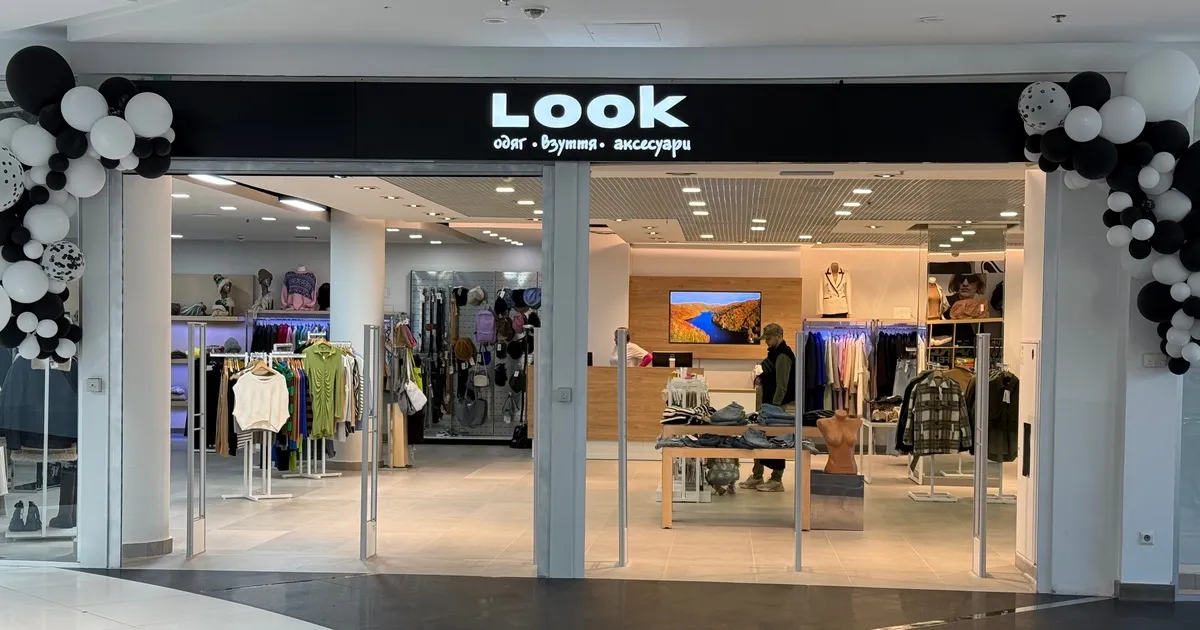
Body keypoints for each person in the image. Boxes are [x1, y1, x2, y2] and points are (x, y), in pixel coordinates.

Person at [740, 322, 795, 492]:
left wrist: (775, 408)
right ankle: (757, 475)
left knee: (777, 442)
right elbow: (772, 375)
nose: (766, 342)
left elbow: (782, 385)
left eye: (769, 339)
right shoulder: (775, 354)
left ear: (778, 337)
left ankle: (776, 479)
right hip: (768, 405)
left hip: (775, 408)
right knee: (759, 438)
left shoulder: (783, 356)